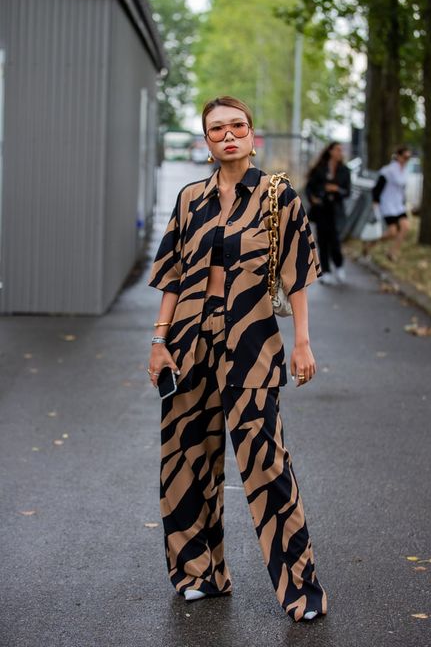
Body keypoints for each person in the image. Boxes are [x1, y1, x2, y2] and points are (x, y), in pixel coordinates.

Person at [146, 95, 328, 623]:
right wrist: (159, 342)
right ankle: (199, 573)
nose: (229, 135)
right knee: (185, 461)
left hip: (250, 344)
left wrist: (302, 341)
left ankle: (301, 590)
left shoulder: (278, 198)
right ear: (206, 143)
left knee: (267, 464)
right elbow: (172, 276)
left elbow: (297, 273)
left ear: (252, 134)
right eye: (217, 130)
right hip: (188, 344)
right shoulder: (190, 200)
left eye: (238, 127)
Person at [305, 142, 351, 284]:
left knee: (335, 240)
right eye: (337, 149)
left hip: (335, 210)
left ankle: (338, 265)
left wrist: (336, 189)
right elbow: (309, 187)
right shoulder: (320, 168)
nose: (340, 152)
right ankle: (325, 271)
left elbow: (347, 191)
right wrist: (313, 199)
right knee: (322, 241)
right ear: (330, 151)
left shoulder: (344, 170)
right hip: (321, 209)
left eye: (341, 150)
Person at [372, 146, 411, 262]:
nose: (406, 160)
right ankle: (371, 243)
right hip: (388, 204)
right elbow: (377, 187)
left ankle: (393, 252)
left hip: (399, 205)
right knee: (392, 232)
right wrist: (376, 201)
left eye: (408, 158)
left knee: (405, 227)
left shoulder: (404, 172)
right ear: (398, 157)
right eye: (405, 157)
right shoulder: (388, 171)